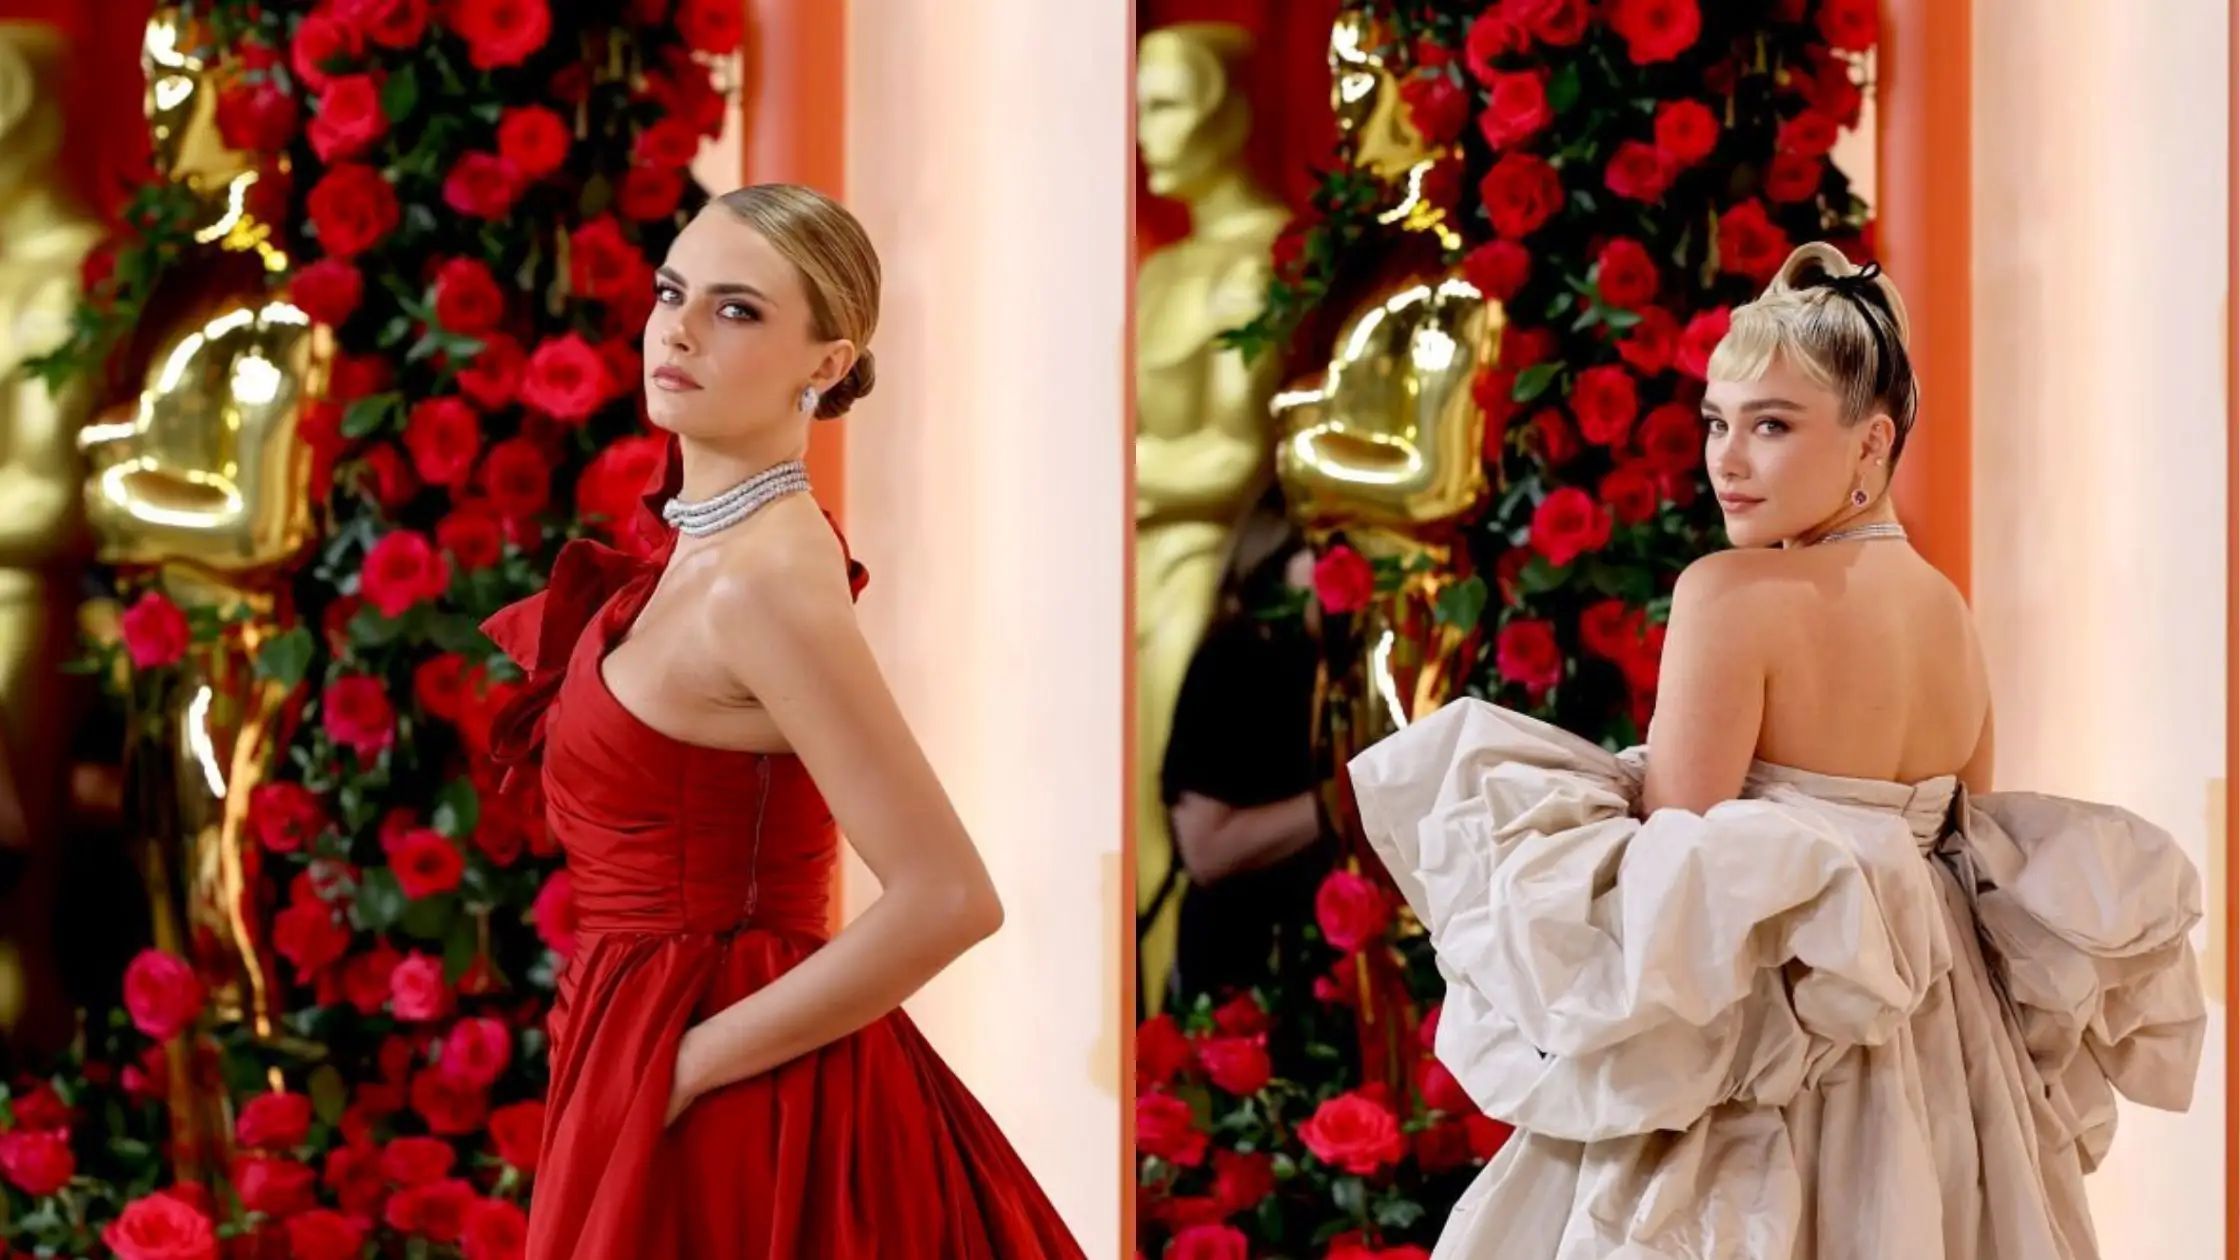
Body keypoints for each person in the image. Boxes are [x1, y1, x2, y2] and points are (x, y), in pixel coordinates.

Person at [1348, 243, 2206, 1259]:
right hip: (1950, 1073)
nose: (1727, 458)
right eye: (1718, 421)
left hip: (1766, 1058)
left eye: (1771, 425)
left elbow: (1669, 890)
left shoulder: (1728, 596)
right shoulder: (1946, 614)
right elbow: (1959, 856)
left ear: (1869, 443)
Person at [483, 183, 1085, 1260]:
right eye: (674, 293)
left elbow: (948, 897)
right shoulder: (709, 551)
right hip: (660, 1046)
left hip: (741, 1094)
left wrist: (684, 1065)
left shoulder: (762, 579)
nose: (677, 328)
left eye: (737, 309)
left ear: (825, 362)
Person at [1157, 494, 1334, 1018]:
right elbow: (1208, 848)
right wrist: (1341, 798)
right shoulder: (1234, 664)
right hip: (1242, 974)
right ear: (1275, 563)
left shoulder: (1320, 670)